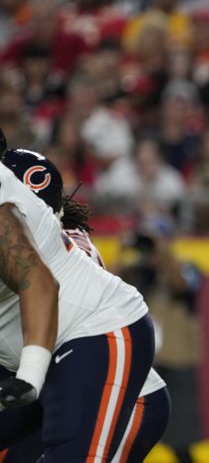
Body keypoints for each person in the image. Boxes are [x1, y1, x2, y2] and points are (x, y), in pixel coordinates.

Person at [0, 147, 171, 462]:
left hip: (113, 387)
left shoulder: (22, 228)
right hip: (46, 383)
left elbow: (41, 288)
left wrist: (30, 373)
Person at [116, 219, 203, 463]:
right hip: (145, 360)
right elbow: (109, 284)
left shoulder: (187, 267)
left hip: (178, 359)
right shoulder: (138, 271)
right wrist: (124, 251)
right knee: (127, 434)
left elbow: (183, 285)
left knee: (181, 439)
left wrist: (164, 254)